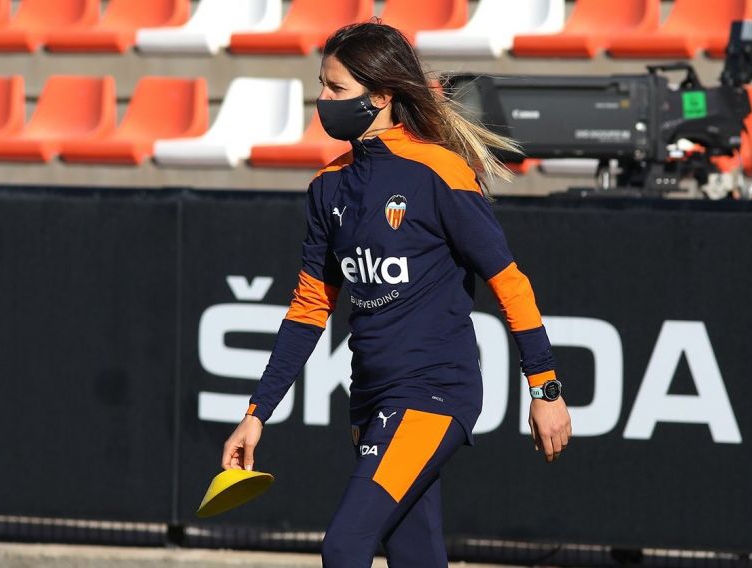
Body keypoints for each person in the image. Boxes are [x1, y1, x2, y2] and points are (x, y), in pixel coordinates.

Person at [221, 20, 571, 568]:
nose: (322, 99)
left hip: (434, 393)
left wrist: (545, 389)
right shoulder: (327, 186)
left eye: (336, 88)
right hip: (372, 397)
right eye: (321, 85)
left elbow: (510, 283)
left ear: (381, 95)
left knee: (343, 546)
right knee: (415, 557)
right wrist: (256, 413)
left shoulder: (439, 172)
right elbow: (309, 309)